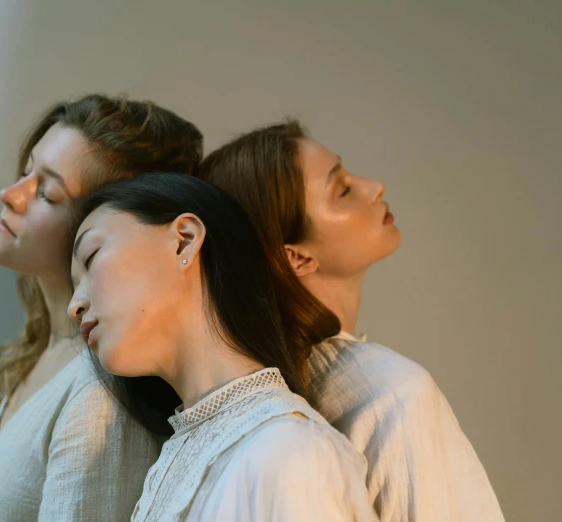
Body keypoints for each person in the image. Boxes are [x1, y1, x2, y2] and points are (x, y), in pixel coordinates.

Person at [196, 120, 505, 521]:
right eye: (342, 190)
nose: (375, 186)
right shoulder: (392, 393)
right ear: (296, 257)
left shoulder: (249, 393)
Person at [67, 173, 378, 521]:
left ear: (184, 241)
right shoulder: (183, 457)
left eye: (91, 257)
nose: (74, 306)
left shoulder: (287, 450)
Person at [0, 94, 203, 522]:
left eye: (46, 192)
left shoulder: (100, 403)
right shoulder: (45, 348)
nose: (10, 195)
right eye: (26, 173)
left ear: (97, 224)